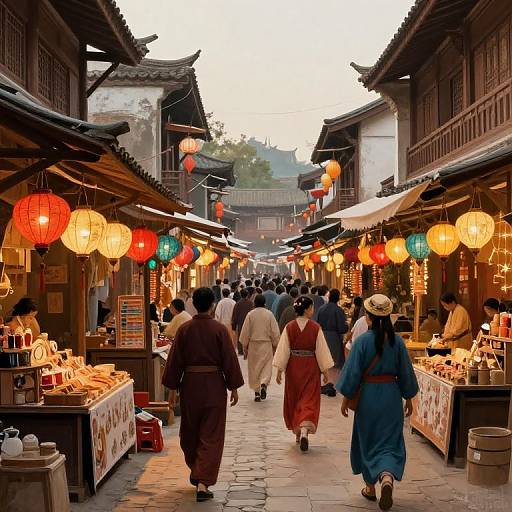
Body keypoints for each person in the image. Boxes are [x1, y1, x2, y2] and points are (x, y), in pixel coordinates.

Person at [337, 294, 419, 511]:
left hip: (368, 398)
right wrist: (408, 398)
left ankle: (370, 488)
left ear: (368, 317)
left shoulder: (363, 341)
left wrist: (345, 400)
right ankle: (387, 478)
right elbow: (406, 373)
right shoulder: (397, 341)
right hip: (391, 396)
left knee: (368, 440)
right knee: (390, 441)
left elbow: (353, 373)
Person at [162, 287, 244, 502]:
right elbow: (229, 359)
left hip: (190, 386)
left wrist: (171, 390)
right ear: (212, 305)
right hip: (214, 386)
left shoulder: (185, 330)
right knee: (212, 434)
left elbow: (175, 361)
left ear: (194, 304)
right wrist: (233, 387)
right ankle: (203, 480)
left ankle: (198, 472)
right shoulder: (219, 330)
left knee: (190, 432)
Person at [273, 296, 334, 451]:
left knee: (295, 398)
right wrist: (325, 371)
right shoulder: (315, 328)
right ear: (307, 310)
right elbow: (321, 351)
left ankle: (298, 434)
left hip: (293, 366)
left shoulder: (289, 327)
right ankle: (305, 430)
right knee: (309, 398)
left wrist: (279, 370)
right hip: (311, 367)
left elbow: (283, 349)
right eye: (312, 308)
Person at [240, 294, 280, 402]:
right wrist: (276, 343)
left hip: (253, 345)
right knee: (266, 367)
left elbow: (245, 331)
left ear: (255, 303)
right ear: (264, 303)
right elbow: (275, 331)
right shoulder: (269, 314)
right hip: (266, 344)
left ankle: (257, 393)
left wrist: (245, 346)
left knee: (254, 369)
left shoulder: (250, 315)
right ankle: (263, 384)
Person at [314, 289, 349, 372]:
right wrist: (347, 326)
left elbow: (317, 324)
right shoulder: (338, 310)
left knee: (324, 365)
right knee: (335, 366)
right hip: (334, 340)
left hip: (322, 338)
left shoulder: (321, 309)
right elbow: (342, 328)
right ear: (338, 298)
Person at [231, 288, 254, 355]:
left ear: (240, 295)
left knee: (241, 337)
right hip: (250, 323)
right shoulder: (251, 303)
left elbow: (234, 316)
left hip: (241, 323)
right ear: (247, 295)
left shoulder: (237, 304)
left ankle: (241, 351)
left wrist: (234, 327)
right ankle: (249, 349)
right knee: (249, 337)